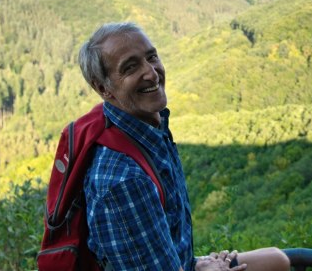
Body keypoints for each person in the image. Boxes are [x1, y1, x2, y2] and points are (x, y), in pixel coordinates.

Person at [78, 22, 290, 271]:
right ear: (103, 88)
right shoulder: (125, 181)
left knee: (276, 260)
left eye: (151, 57)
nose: (152, 73)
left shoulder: (149, 132)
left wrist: (198, 265)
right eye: (130, 67)